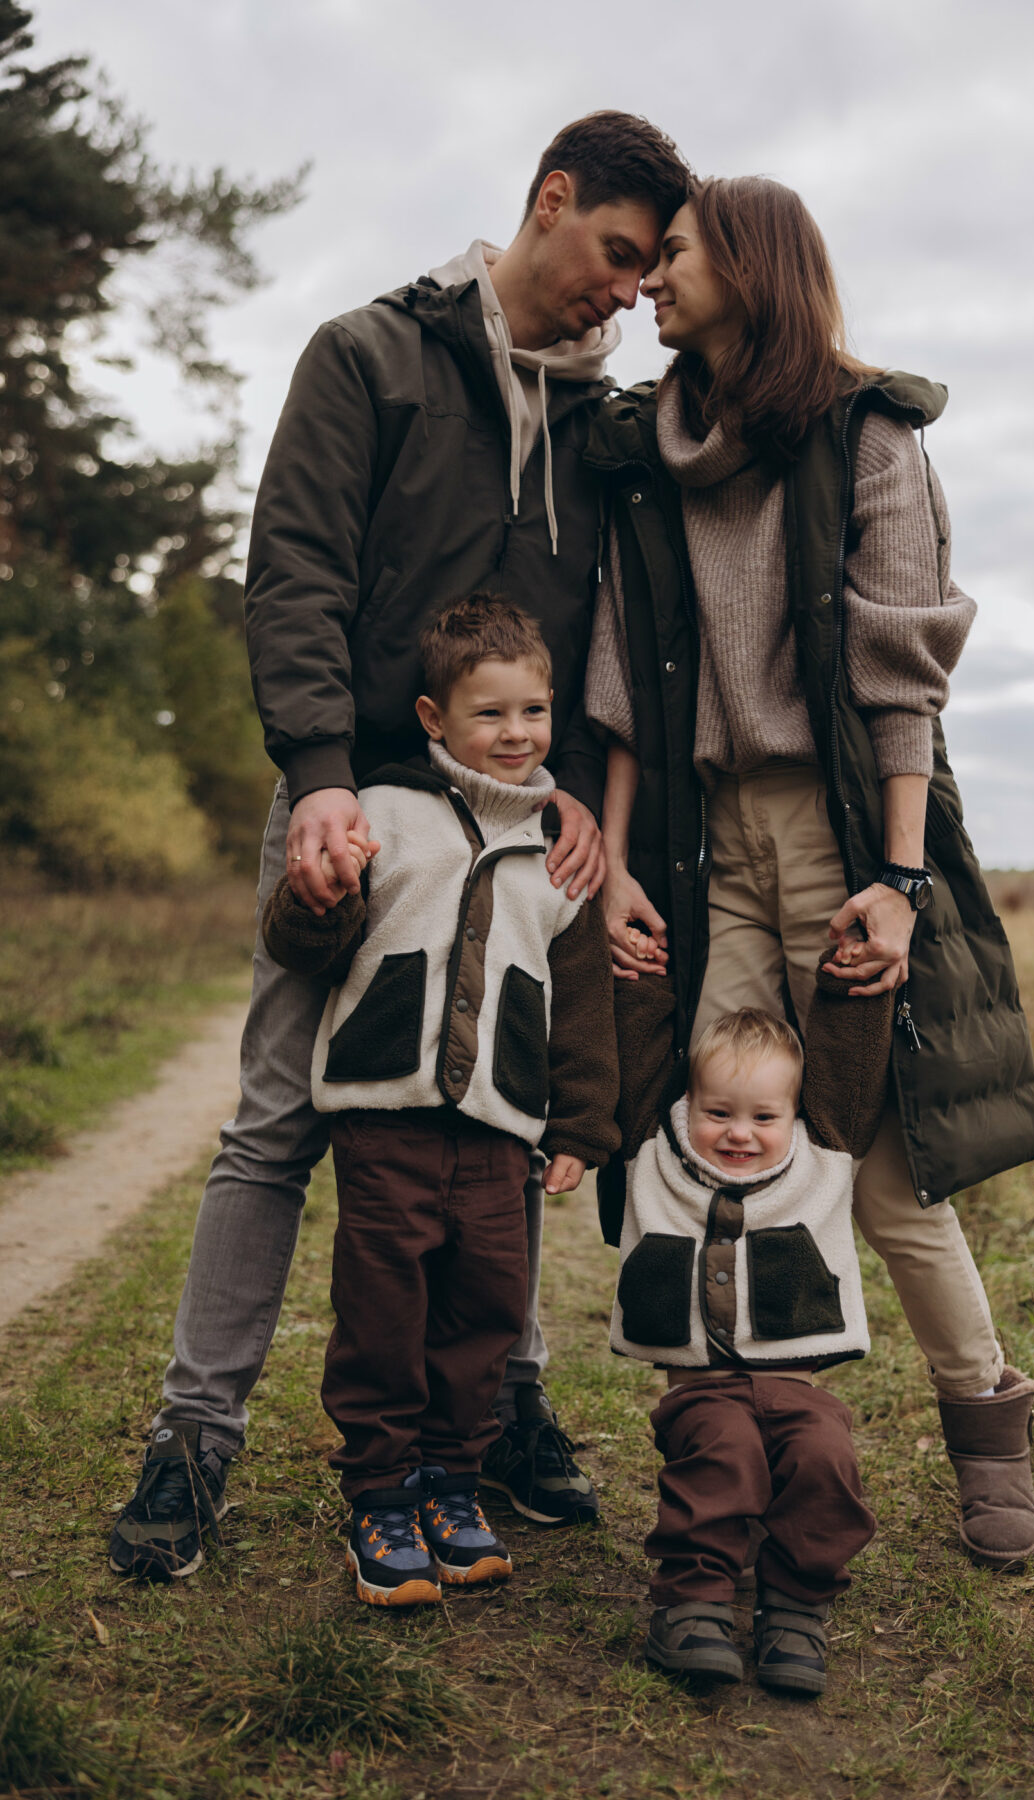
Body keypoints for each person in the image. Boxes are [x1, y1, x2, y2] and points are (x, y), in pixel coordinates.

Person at [107, 113, 691, 1582]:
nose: (625, 294)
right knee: (276, 1126)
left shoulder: (604, 432)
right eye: (617, 257)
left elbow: (608, 636)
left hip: (516, 832)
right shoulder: (367, 356)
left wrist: (556, 786)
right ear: (550, 203)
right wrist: (315, 774)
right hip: (356, 808)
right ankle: (194, 1440)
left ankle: (502, 1408)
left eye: (645, 276)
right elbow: (294, 568)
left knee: (497, 1125)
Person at [584, 177, 1034, 1571]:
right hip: (707, 839)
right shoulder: (647, 454)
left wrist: (899, 881)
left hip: (848, 841)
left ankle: (985, 1420)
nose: (651, 280)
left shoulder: (869, 431)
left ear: (751, 262)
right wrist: (609, 865)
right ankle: (723, 1437)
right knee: (704, 1139)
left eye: (672, 254)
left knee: (889, 1173)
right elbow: (617, 673)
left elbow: (903, 677)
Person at [258, 596, 619, 1605]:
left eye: (534, 712)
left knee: (484, 1311)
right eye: (490, 714)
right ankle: (378, 1493)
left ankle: (453, 1486)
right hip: (383, 1119)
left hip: (500, 1132)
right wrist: (317, 895)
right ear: (434, 717)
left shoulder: (561, 847)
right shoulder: (385, 812)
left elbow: (580, 1001)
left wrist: (583, 1124)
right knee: (383, 1308)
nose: (516, 734)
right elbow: (307, 949)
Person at [611, 983, 889, 1694]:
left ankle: (795, 1607)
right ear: (686, 1106)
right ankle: (693, 1604)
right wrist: (642, 975)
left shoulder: (824, 1157)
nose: (740, 1133)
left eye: (765, 1116)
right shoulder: (654, 1150)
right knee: (722, 1456)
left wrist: (854, 982)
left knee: (826, 1456)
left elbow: (852, 1062)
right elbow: (641, 1055)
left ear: (795, 1115)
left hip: (799, 1389)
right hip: (702, 1391)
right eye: (718, 1113)